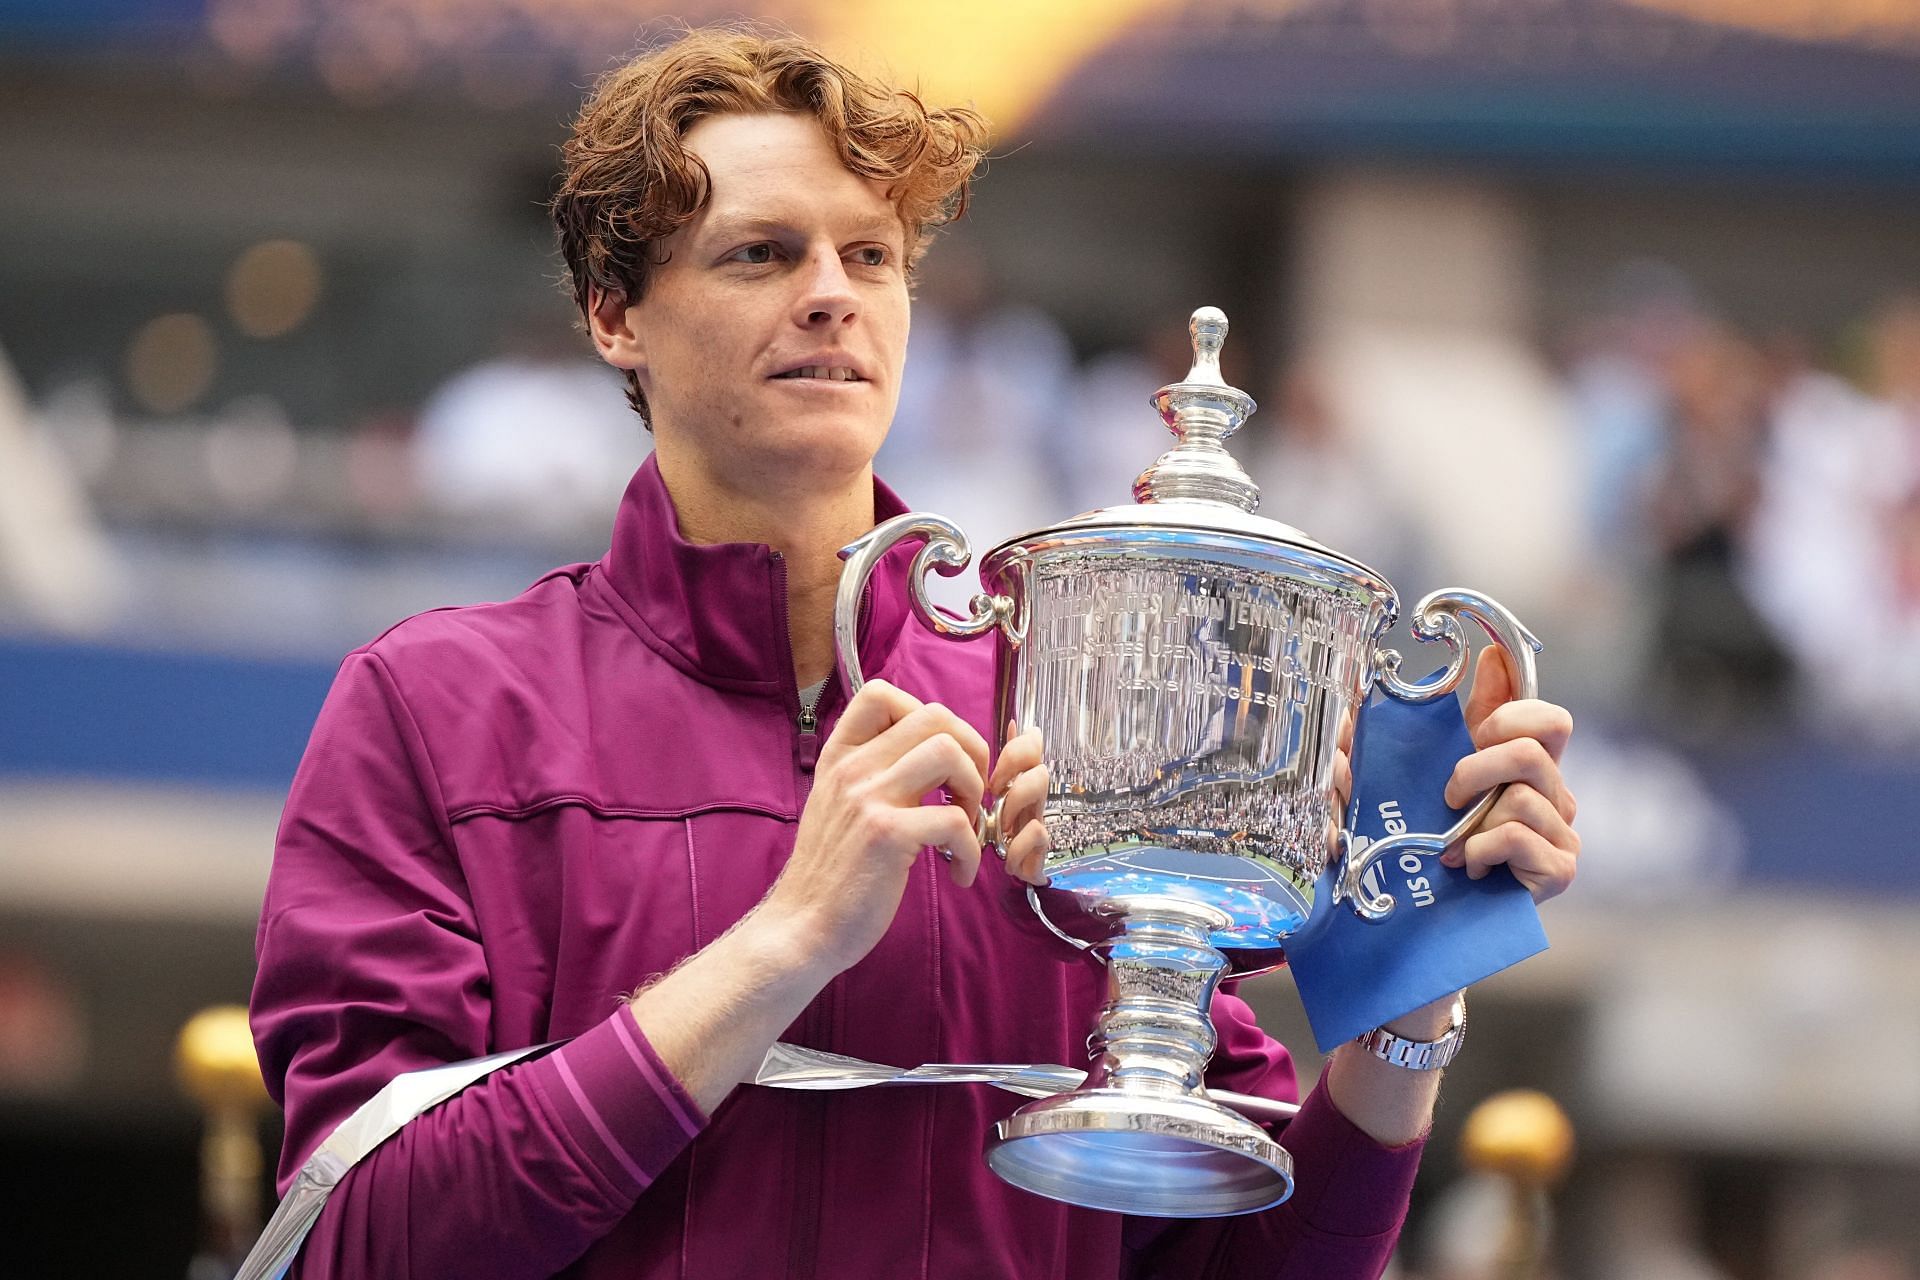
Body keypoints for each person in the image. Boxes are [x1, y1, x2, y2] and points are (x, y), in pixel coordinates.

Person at [250, 27, 1581, 1279]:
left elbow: (1227, 1256)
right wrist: (785, 944)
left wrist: (1409, 1000)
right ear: (615, 316)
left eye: (870, 257)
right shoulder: (435, 708)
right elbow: (361, 1240)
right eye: (762, 253)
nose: (831, 296)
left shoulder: (1063, 721)